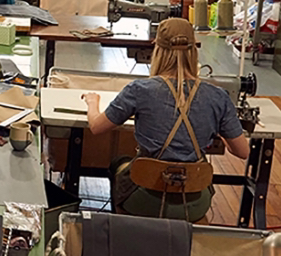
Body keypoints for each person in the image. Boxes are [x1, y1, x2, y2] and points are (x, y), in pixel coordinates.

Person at [82, 18, 249, 222]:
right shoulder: (218, 97)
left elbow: (96, 126)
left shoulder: (139, 90)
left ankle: (123, 229)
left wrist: (92, 102)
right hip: (194, 204)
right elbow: (242, 151)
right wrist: (217, 129)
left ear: (157, 49)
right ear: (194, 50)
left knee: (118, 163)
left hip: (145, 200)